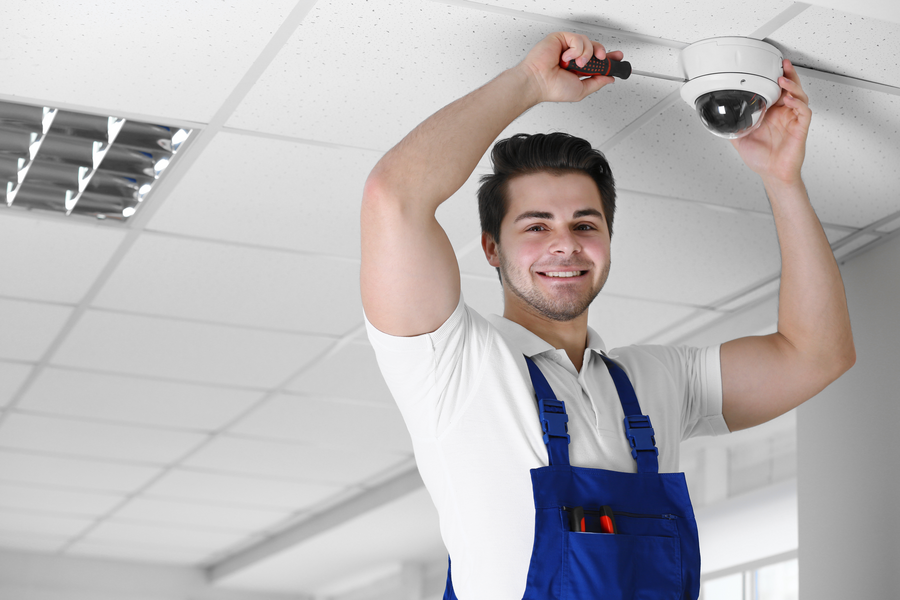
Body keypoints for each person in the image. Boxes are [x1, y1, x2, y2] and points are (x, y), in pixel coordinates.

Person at [360, 31, 855, 599]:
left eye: (585, 225)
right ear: (492, 249)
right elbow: (392, 197)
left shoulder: (657, 382)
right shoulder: (453, 366)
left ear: (609, 241)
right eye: (536, 225)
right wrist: (529, 83)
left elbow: (816, 355)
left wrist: (781, 179)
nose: (564, 245)